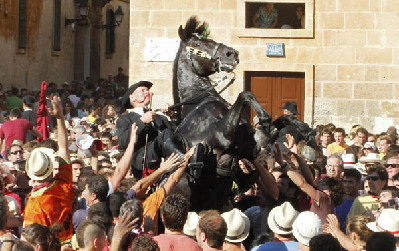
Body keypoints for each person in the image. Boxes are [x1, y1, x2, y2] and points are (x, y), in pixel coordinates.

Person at [116, 81, 203, 178]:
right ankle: (184, 160)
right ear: (132, 97)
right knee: (165, 133)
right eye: (142, 90)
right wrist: (142, 122)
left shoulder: (159, 118)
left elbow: (176, 133)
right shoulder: (125, 119)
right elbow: (123, 142)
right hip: (143, 159)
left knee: (170, 133)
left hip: (162, 155)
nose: (147, 92)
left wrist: (172, 117)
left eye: (148, 90)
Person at [23, 96, 74, 242]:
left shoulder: (34, 206)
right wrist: (60, 117)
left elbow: (34, 243)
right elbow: (64, 148)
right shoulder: (64, 185)